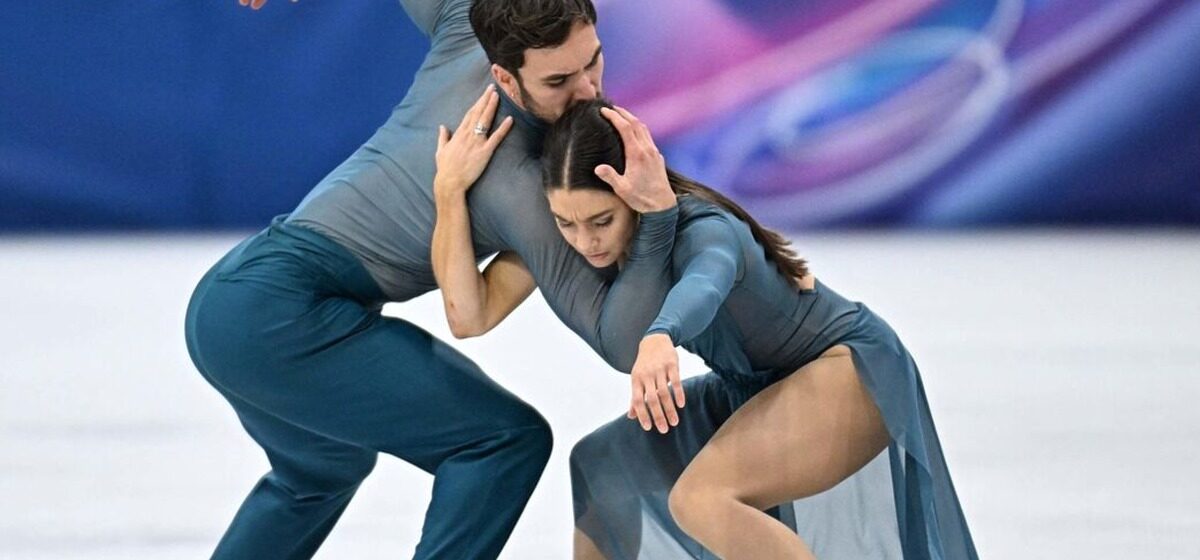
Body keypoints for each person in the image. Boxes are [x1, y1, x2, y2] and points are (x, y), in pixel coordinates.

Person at [187, 1, 679, 558]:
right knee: (502, 442)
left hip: (232, 301)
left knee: (320, 470)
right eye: (558, 81)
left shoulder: (473, 27)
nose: (588, 91)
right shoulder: (523, 193)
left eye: (593, 61)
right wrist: (656, 222)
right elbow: (624, 343)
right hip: (280, 316)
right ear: (504, 76)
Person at [431, 97, 979, 559]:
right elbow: (467, 313)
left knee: (702, 499)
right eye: (565, 223)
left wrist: (662, 333)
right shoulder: (592, 237)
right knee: (601, 463)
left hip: (844, 366)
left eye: (601, 220)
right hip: (751, 386)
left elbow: (708, 279)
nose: (585, 241)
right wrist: (449, 193)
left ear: (632, 194)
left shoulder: (705, 227)